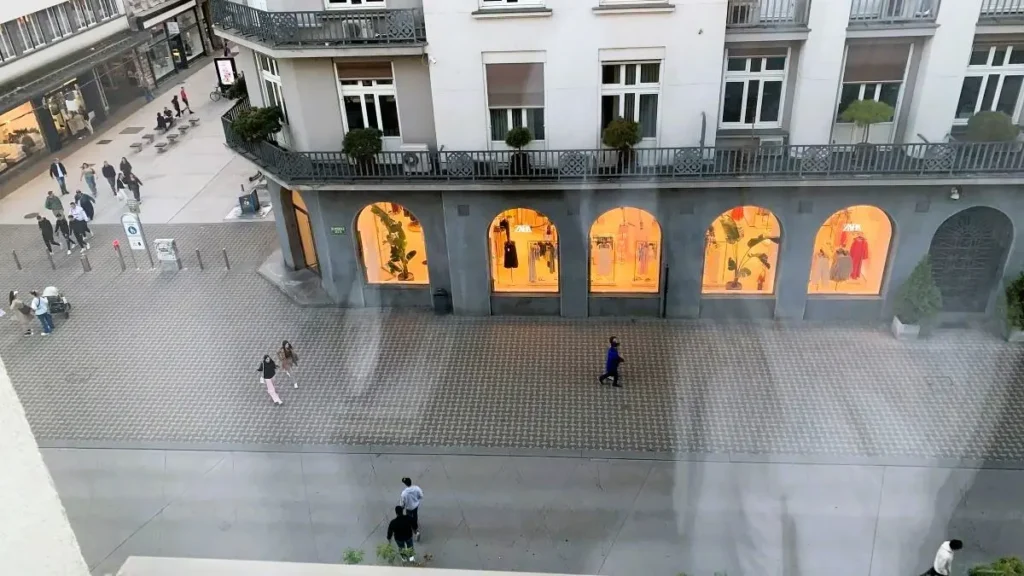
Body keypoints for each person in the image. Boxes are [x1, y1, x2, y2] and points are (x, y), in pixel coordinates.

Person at [399, 477, 423, 541]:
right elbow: (421, 495)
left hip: (409, 508)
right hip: (415, 506)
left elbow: (402, 503)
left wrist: (402, 507)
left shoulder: (404, 493)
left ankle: (415, 531)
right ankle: (415, 526)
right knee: (415, 516)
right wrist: (416, 499)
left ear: (405, 484)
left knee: (409, 518)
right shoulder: (417, 488)